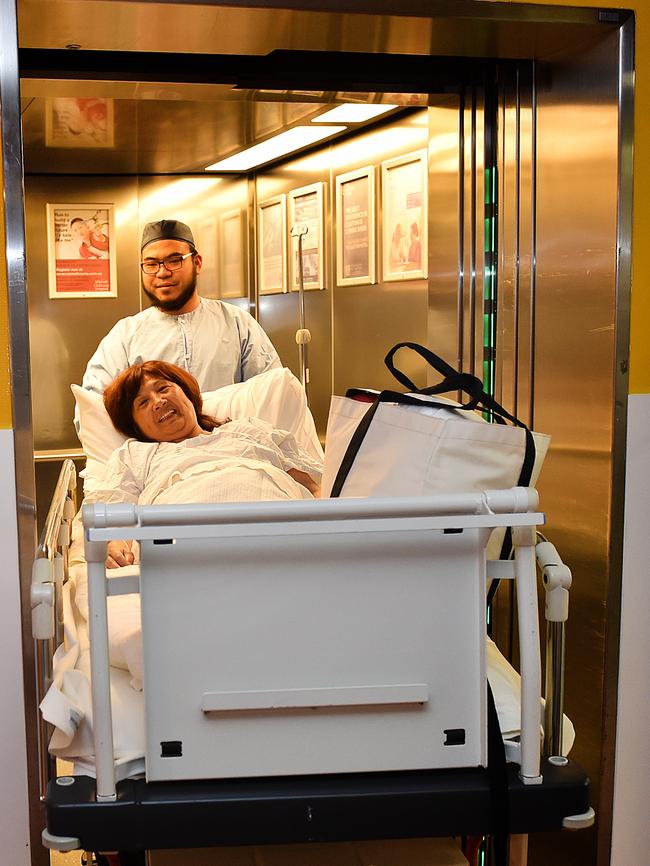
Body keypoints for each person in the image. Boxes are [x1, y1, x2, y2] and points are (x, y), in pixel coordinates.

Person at [87, 361, 322, 568]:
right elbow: (116, 510)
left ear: (186, 393)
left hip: (279, 533)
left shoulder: (249, 430)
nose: (158, 402)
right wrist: (115, 544)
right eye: (143, 402)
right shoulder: (137, 454)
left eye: (163, 388)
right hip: (184, 549)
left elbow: (313, 490)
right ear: (135, 426)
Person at [80, 218, 281, 399]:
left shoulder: (236, 323)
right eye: (151, 264)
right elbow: (93, 405)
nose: (162, 272)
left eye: (174, 261)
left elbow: (272, 392)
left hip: (231, 438)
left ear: (197, 263)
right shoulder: (126, 335)